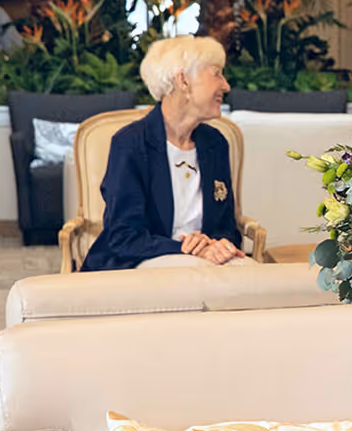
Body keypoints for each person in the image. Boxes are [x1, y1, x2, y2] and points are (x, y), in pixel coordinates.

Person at [82, 37, 249, 271]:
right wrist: (187, 249)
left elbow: (226, 227)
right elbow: (123, 237)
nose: (226, 86)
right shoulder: (130, 144)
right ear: (183, 81)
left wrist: (218, 245)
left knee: (251, 277)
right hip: (140, 264)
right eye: (217, 74)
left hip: (207, 266)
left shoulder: (216, 143)